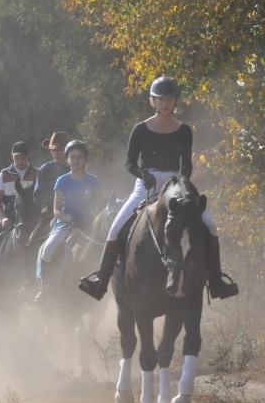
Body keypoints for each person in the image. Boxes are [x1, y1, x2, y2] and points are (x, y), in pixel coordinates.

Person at [79, 76, 238, 301]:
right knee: (115, 229)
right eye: (161, 99)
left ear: (175, 101)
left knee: (211, 226)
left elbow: (187, 164)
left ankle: (216, 282)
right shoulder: (140, 129)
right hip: (146, 184)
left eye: (169, 99)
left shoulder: (184, 130)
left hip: (175, 184)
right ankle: (100, 282)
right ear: (153, 101)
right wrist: (142, 174)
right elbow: (130, 162)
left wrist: (182, 181)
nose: (165, 103)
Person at [34, 141, 101, 304]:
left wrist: (95, 221)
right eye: (72, 157)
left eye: (79, 157)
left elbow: (100, 208)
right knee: (48, 248)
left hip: (89, 223)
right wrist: (71, 219)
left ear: (85, 159)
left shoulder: (94, 181)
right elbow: (56, 210)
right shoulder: (62, 181)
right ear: (67, 160)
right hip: (66, 223)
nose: (76, 160)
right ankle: (44, 288)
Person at [0, 141, 39, 294]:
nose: (20, 161)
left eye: (23, 158)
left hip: (30, 217)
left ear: (29, 156)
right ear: (12, 156)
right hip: (10, 215)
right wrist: (3, 218)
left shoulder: (37, 173)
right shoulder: (3, 175)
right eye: (17, 158)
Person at [33, 132, 71, 218]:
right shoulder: (45, 169)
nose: (56, 154)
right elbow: (37, 196)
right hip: (51, 212)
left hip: (79, 211)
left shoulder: (78, 167)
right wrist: (59, 195)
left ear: (68, 150)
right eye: (53, 150)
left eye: (60, 150)